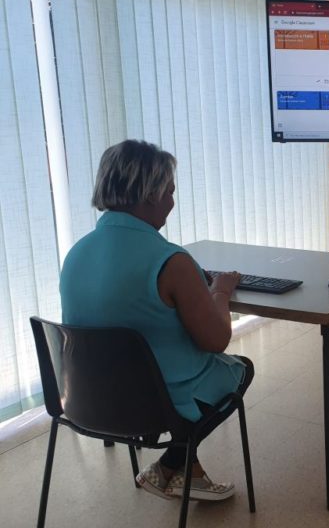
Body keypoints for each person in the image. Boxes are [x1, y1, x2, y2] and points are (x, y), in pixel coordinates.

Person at [60, 139, 253, 502]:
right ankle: (171, 464)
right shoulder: (171, 261)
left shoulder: (75, 255)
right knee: (239, 369)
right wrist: (221, 290)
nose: (172, 202)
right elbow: (216, 340)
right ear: (150, 194)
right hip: (152, 406)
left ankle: (185, 471)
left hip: (87, 400)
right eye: (169, 191)